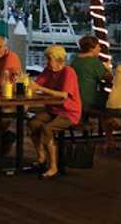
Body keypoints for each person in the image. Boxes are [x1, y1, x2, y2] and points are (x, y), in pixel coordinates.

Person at [29, 45, 81, 179]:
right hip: (53, 109)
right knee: (32, 123)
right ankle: (41, 157)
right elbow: (36, 85)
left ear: (59, 60)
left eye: (49, 59)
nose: (47, 62)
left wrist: (40, 88)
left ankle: (53, 166)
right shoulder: (48, 70)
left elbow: (63, 95)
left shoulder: (68, 72)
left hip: (69, 111)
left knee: (47, 129)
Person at [71, 35, 112, 111]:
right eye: (98, 47)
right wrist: (108, 68)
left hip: (74, 97)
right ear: (91, 49)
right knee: (108, 98)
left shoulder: (75, 61)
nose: (100, 49)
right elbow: (109, 78)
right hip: (88, 99)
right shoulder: (94, 62)